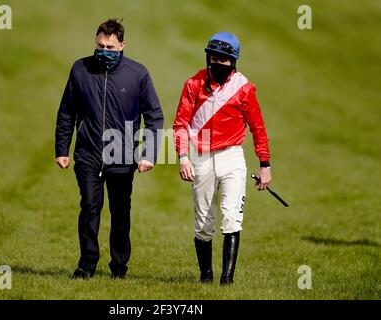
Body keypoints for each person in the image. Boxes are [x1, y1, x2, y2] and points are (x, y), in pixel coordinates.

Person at [55, 19, 164, 279]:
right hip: (88, 153)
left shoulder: (138, 74)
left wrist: (148, 154)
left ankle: (119, 267)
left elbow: (154, 116)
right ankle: (86, 265)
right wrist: (62, 149)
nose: (104, 51)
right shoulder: (80, 69)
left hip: (122, 154)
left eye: (110, 47)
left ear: (122, 45)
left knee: (120, 212)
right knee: (90, 207)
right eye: (100, 45)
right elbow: (66, 113)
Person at [173, 32, 272, 285]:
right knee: (204, 222)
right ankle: (206, 276)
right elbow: (180, 124)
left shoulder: (244, 88)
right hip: (201, 158)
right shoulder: (193, 84)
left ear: (233, 62)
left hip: (232, 157)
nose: (217, 63)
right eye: (213, 58)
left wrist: (265, 165)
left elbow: (258, 128)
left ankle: (227, 280)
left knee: (231, 218)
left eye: (223, 60)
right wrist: (183, 157)